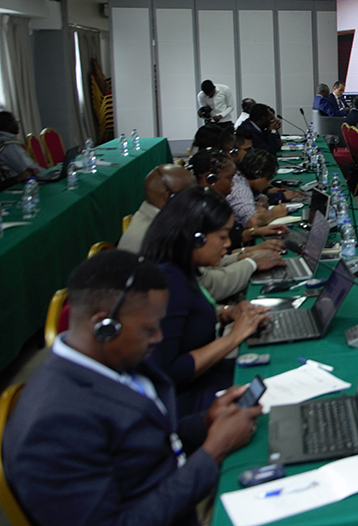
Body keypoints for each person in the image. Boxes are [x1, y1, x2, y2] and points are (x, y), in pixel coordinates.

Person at [1, 251, 261, 526]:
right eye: (148, 329)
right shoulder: (54, 423)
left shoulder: (115, 360)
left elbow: (144, 445)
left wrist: (207, 422)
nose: (158, 338)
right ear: (104, 326)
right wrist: (213, 453)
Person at [140, 187, 269, 416]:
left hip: (204, 379)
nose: (228, 243)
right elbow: (168, 372)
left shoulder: (181, 269)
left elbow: (185, 321)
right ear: (196, 238)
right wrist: (234, 337)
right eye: (222, 236)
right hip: (186, 403)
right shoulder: (168, 283)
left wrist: (226, 313)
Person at [118, 164, 283, 301]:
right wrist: (252, 263)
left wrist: (244, 255)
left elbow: (202, 270)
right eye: (190, 195)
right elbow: (209, 285)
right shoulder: (158, 236)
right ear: (170, 197)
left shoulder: (158, 218)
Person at [0, 110, 38, 184]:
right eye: (14, 121)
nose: (17, 124)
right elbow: (29, 169)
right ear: (7, 125)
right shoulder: (9, 145)